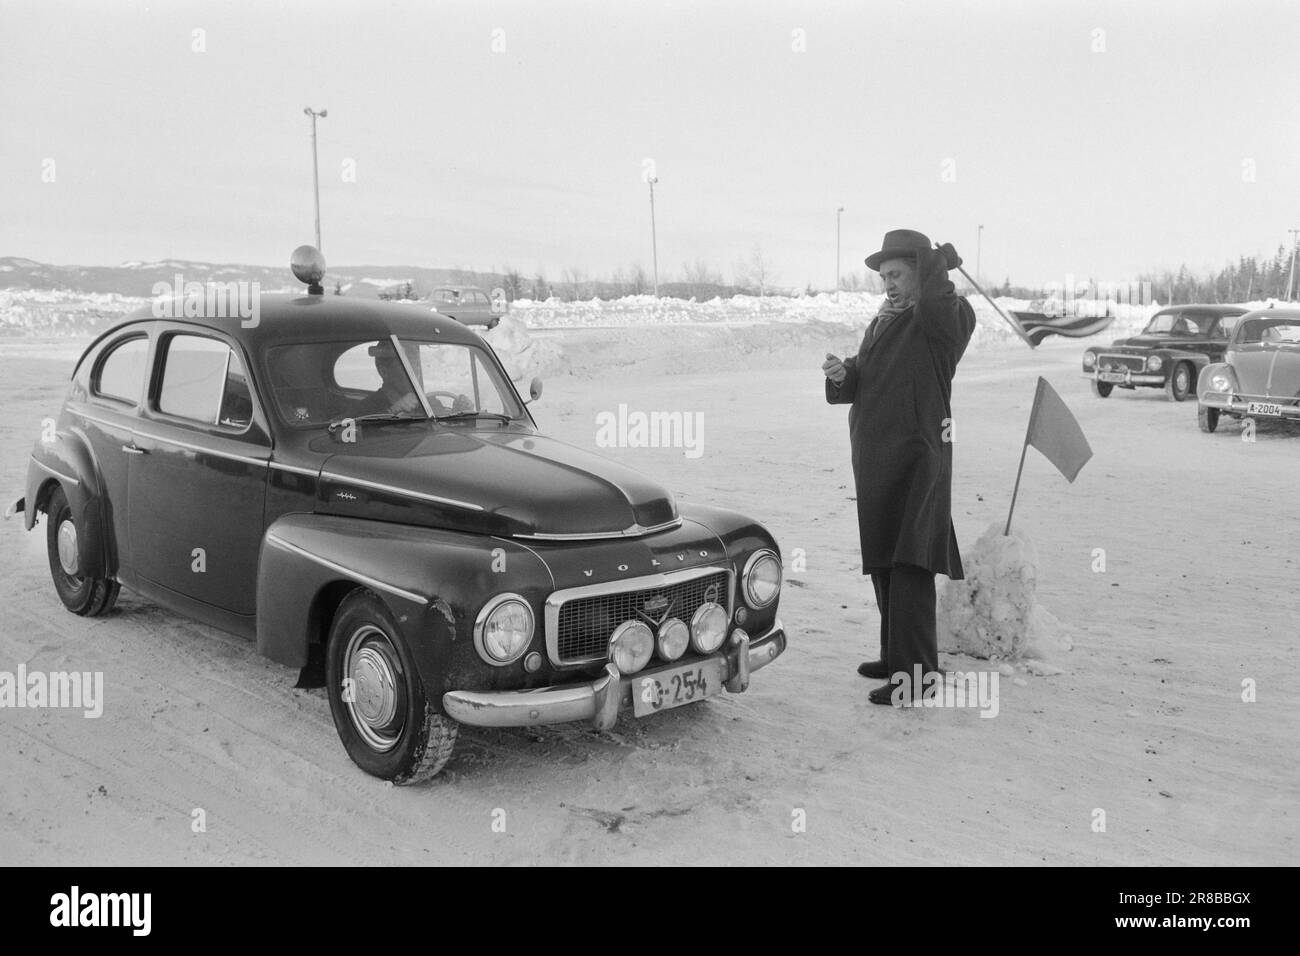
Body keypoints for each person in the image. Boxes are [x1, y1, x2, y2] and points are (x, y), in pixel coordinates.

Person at [822, 229, 976, 705]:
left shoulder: (946, 318)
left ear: (921, 271)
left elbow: (937, 305)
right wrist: (845, 374)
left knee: (911, 561)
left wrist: (937, 265)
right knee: (886, 558)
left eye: (897, 274)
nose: (887, 283)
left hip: (917, 454)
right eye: (883, 276)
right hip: (876, 457)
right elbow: (872, 374)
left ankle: (918, 676)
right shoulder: (883, 321)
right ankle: (896, 657)